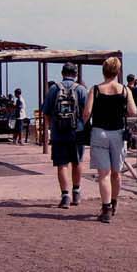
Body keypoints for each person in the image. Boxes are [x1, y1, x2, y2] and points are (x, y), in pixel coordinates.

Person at [83, 58, 137, 223]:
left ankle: (106, 208)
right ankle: (114, 202)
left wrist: (82, 127)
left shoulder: (96, 90)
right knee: (116, 173)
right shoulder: (124, 90)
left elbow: (87, 113)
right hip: (118, 133)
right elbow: (133, 111)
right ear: (118, 72)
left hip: (99, 132)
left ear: (104, 71)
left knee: (103, 174)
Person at [45, 64, 92, 208]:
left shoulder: (54, 89)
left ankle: (65, 195)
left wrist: (50, 129)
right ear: (76, 74)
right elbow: (87, 112)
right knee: (77, 162)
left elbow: (46, 112)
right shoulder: (81, 89)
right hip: (77, 131)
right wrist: (82, 125)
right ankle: (76, 193)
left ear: (62, 73)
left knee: (62, 164)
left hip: (59, 132)